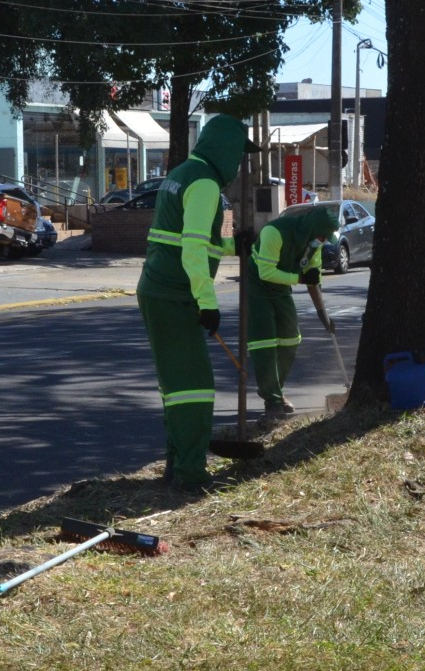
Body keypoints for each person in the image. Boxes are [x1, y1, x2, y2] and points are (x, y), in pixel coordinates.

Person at [137, 113, 255, 489]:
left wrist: (238, 244)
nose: (239, 164)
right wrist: (208, 303)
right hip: (175, 293)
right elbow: (192, 249)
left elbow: (199, 239)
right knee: (194, 385)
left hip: (160, 289)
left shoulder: (182, 174)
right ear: (224, 149)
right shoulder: (204, 184)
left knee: (176, 384)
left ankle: (177, 463)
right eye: (238, 154)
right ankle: (189, 474)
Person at [245, 201, 342, 418]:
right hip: (257, 289)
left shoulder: (313, 246)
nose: (324, 241)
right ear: (313, 230)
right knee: (265, 343)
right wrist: (298, 278)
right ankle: (273, 400)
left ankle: (274, 391)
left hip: (281, 290)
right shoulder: (275, 232)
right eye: (323, 236)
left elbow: (312, 280)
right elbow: (266, 273)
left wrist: (322, 314)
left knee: (291, 338)